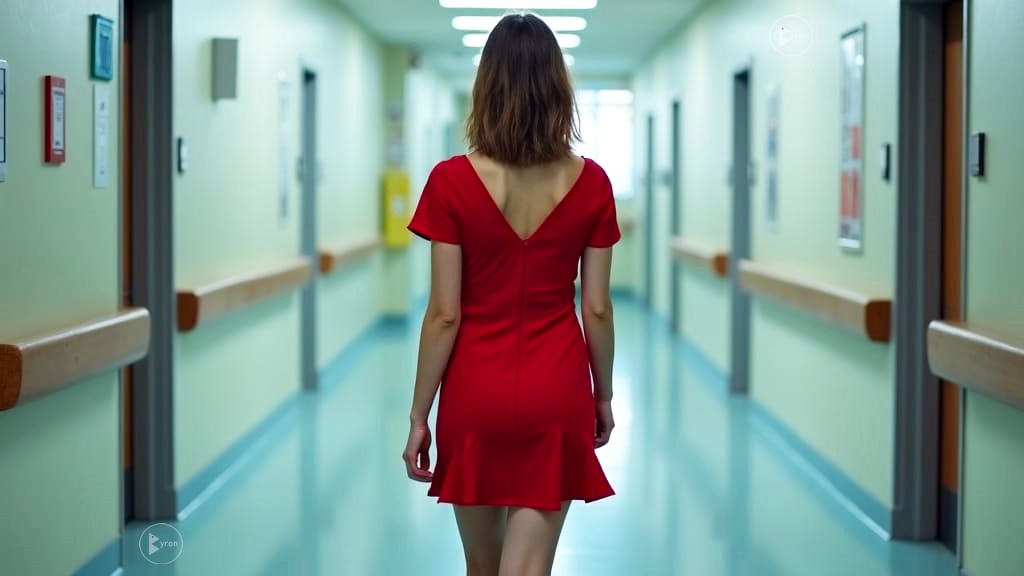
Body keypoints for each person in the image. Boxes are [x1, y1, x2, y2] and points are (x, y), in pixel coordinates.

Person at [401, 12, 619, 576]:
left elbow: (444, 315)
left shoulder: (450, 181)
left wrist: (420, 415)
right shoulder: (591, 183)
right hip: (558, 390)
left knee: (483, 566)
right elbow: (595, 307)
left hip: (475, 394)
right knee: (527, 568)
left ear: (487, 88)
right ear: (557, 90)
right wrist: (603, 395)